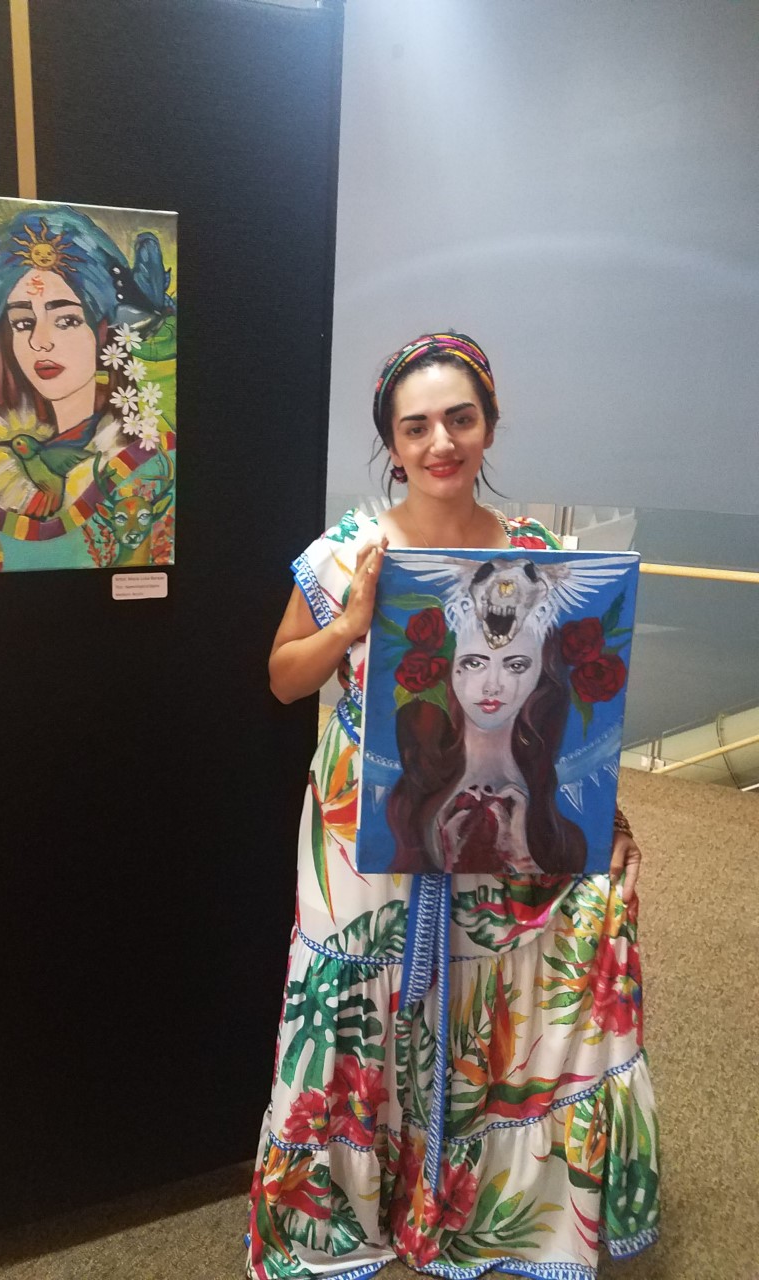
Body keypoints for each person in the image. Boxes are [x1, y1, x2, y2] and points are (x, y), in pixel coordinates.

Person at [247, 333, 659, 1279]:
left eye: (460, 419)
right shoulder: (346, 551)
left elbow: (577, 708)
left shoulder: (541, 561)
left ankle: (478, 1211)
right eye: (417, 425)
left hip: (503, 823)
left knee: (488, 1006)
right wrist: (351, 625)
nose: (441, 441)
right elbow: (279, 677)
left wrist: (607, 815)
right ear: (391, 441)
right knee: (359, 1004)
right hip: (368, 829)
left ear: (489, 425)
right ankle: (345, 1208)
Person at [0, 205, 175, 573]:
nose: (40, 342)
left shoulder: (151, 462)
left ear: (103, 332)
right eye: (23, 322)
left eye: (67, 320)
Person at [388, 610, 588, 876]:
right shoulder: (420, 790)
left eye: (515, 665)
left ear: (541, 672)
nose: (492, 686)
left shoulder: (551, 816)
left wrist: (523, 860)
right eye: (474, 663)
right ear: (449, 668)